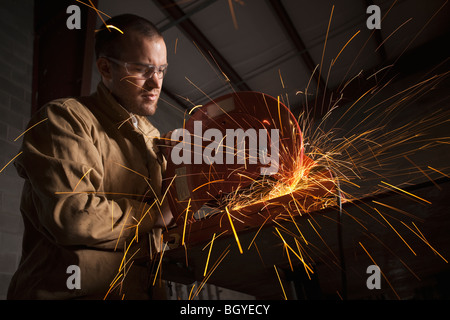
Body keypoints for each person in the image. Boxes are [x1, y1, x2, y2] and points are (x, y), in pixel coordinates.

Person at [7, 14, 174, 300]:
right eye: (142, 69)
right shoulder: (65, 118)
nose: (155, 82)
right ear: (106, 68)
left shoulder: (152, 137)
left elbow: (165, 225)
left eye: (161, 69)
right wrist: (156, 215)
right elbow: (74, 215)